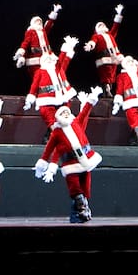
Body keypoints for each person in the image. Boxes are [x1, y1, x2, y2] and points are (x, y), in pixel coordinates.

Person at [35, 87, 104, 223]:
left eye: (67, 112)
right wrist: (44, 164)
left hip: (86, 160)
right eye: (63, 113)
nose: (66, 114)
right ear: (58, 118)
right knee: (75, 189)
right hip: (70, 164)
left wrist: (92, 98)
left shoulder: (76, 123)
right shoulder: (57, 132)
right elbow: (50, 149)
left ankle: (79, 212)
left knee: (85, 189)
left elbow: (84, 112)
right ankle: (82, 209)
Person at [22, 35, 79, 139]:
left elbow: (62, 60)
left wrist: (67, 47)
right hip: (47, 99)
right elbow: (34, 85)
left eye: (50, 59)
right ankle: (53, 135)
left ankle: (58, 136)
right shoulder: (40, 72)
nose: (49, 61)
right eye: (46, 59)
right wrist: (30, 97)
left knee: (64, 115)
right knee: (50, 118)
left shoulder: (57, 69)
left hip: (61, 97)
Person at [82, 3, 125, 96]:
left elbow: (116, 26)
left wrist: (118, 14)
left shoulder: (110, 34)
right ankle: (106, 88)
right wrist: (90, 46)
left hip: (114, 56)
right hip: (104, 57)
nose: (102, 26)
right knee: (106, 74)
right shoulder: (97, 36)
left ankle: (108, 89)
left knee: (112, 74)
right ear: (97, 29)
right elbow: (93, 41)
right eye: (100, 26)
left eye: (103, 25)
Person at [12, 3, 61, 82]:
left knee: (48, 76)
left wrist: (54, 12)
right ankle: (36, 92)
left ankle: (47, 92)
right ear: (33, 23)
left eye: (40, 21)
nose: (39, 23)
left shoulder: (43, 31)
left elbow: (48, 25)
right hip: (35, 59)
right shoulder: (30, 31)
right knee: (37, 77)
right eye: (37, 21)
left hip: (46, 57)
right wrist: (21, 54)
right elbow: (26, 43)